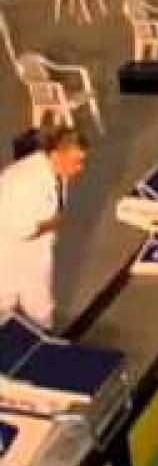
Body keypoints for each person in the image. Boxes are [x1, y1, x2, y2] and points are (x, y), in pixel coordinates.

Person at [0, 126, 88, 332]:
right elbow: (20, 230)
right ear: (57, 155)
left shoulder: (56, 171)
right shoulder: (25, 184)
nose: (80, 167)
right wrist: (51, 224)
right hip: (11, 253)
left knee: (40, 305)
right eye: (76, 161)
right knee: (7, 302)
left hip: (34, 252)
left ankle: (43, 340)